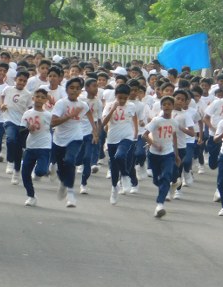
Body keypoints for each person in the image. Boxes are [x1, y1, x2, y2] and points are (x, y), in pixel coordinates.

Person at [51, 77, 98, 208]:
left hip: (76, 137)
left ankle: (71, 194)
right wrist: (70, 116)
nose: (74, 91)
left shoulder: (82, 105)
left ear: (80, 91)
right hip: (59, 139)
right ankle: (63, 183)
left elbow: (89, 114)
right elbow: (53, 122)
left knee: (70, 161)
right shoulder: (61, 103)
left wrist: (94, 131)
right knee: (61, 167)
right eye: (72, 88)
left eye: (77, 88)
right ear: (66, 89)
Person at [143, 95, 180, 218]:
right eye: (165, 104)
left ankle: (160, 205)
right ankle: (165, 190)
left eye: (170, 104)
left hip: (168, 154)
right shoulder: (156, 120)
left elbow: (174, 137)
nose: (167, 106)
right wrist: (154, 144)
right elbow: (145, 135)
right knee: (156, 180)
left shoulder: (174, 122)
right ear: (162, 107)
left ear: (173, 106)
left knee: (166, 177)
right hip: (154, 154)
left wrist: (176, 154)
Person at [101, 84, 138, 205]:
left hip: (126, 136)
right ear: (116, 96)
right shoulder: (109, 105)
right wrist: (112, 109)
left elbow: (134, 118)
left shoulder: (131, 106)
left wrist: (135, 132)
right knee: (114, 165)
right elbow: (104, 122)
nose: (122, 100)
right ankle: (114, 188)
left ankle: (125, 176)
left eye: (124, 98)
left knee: (120, 156)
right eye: (120, 97)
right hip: (112, 137)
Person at [20, 89, 53, 207]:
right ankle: (31, 196)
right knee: (24, 174)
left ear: (45, 100)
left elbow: (54, 127)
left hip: (44, 146)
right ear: (33, 98)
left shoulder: (48, 115)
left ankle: (44, 169)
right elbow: (20, 131)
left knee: (40, 171)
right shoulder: (27, 114)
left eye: (42, 97)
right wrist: (28, 129)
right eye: (37, 96)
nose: (39, 99)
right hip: (30, 146)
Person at [0, 70, 32, 183]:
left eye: (24, 81)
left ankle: (16, 172)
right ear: (15, 80)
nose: (21, 83)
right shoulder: (8, 89)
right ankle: (10, 161)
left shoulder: (28, 94)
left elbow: (29, 109)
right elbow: (2, 97)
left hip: (22, 123)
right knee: (10, 139)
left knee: (19, 149)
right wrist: (2, 104)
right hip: (9, 120)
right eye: (20, 80)